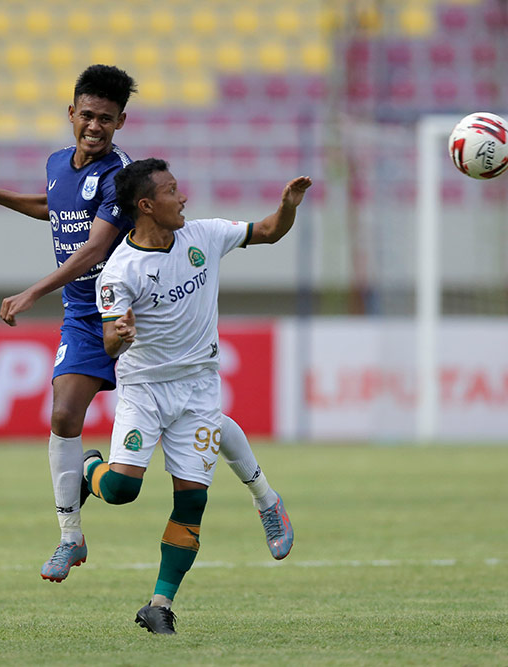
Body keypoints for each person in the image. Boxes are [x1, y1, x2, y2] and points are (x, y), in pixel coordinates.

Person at [0, 64, 292, 583]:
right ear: (71, 114)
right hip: (88, 319)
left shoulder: (121, 174)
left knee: (193, 408)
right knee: (64, 415)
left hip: (140, 312)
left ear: (120, 123)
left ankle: (263, 497)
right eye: (87, 115)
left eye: (105, 119)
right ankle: (70, 537)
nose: (94, 126)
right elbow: (53, 206)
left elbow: (92, 250)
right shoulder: (57, 164)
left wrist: (31, 292)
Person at [88, 158, 311, 634]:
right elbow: (109, 338)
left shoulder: (204, 234)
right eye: (172, 191)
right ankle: (89, 468)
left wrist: (287, 207)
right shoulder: (119, 271)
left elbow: (269, 230)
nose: (183, 196)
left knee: (191, 500)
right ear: (146, 205)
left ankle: (159, 605)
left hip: (198, 386)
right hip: (144, 389)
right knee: (121, 490)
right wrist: (119, 334)